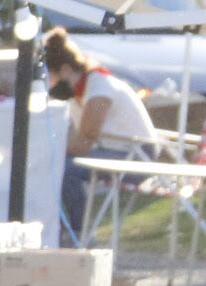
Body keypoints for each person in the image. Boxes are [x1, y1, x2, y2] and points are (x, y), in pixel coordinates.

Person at [40, 30, 161, 242]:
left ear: (66, 70)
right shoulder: (82, 91)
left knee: (65, 168)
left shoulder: (99, 90)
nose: (48, 85)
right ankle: (58, 229)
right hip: (116, 150)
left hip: (136, 156)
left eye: (50, 77)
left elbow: (82, 144)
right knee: (53, 163)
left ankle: (78, 233)